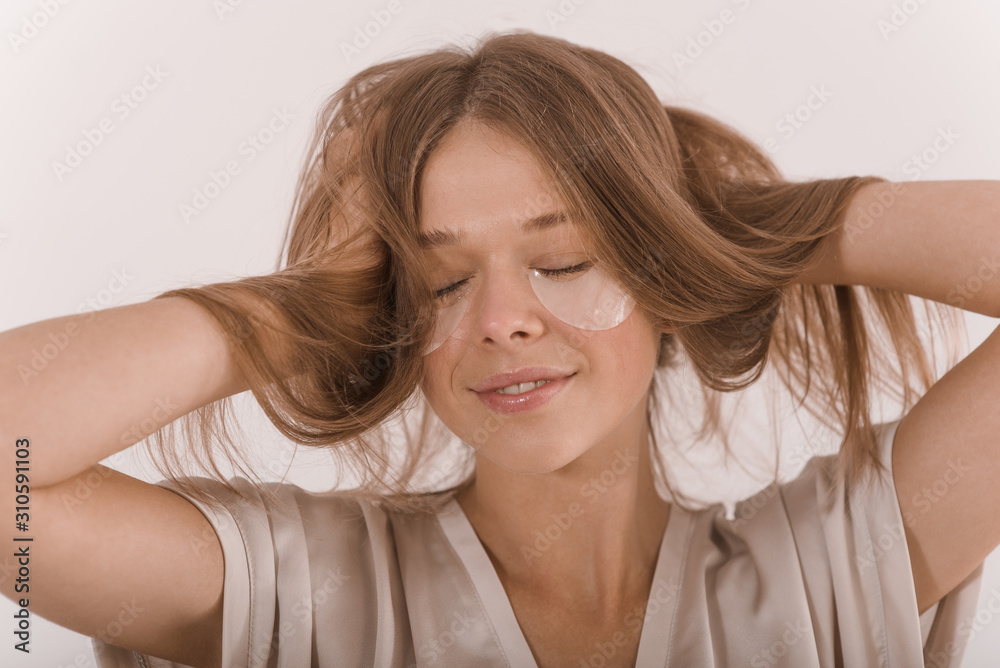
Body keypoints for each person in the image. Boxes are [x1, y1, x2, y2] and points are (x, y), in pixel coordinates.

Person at [1, 29, 996, 667]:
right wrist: (306, 308)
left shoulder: (826, 575)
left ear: (663, 281)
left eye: (563, 260)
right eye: (442, 280)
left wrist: (720, 230)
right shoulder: (312, 589)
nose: (499, 318)